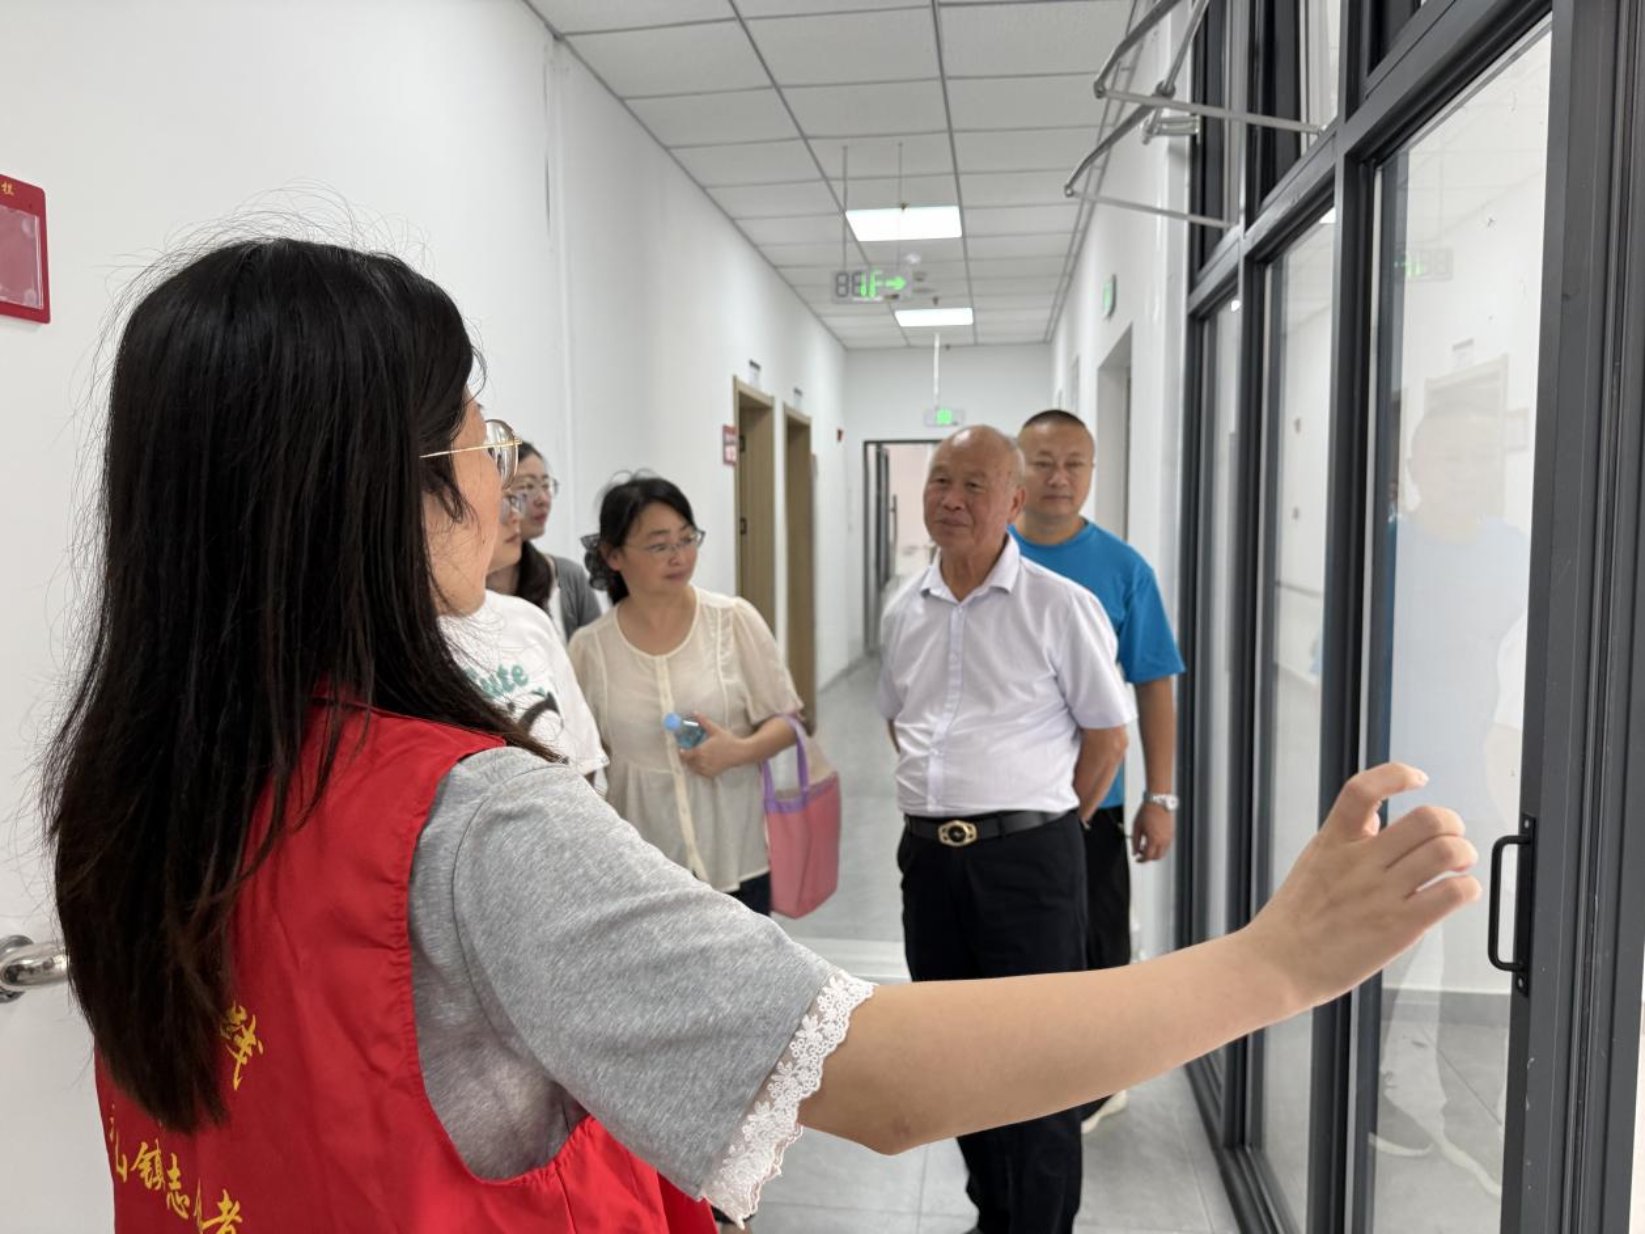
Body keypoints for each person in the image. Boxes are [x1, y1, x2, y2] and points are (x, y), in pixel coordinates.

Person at [48, 237, 1482, 1233]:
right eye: (483, 445)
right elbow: (879, 1075)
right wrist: (1271, 962)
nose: (503, 484)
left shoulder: (141, 783)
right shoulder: (464, 818)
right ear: (385, 487)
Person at [879, 425, 1134, 1232]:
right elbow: (900, 722)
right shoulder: (904, 608)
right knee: (957, 1060)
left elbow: (1107, 737)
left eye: (974, 485)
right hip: (929, 862)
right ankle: (993, 1215)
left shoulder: (1060, 606)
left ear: (1014, 501)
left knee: (1038, 1067)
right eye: (939, 480)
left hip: (1030, 862)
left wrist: (1048, 826)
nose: (951, 500)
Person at [1012, 408, 1187, 1136]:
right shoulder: (988, 553)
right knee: (1022, 945)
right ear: (1018, 469)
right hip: (1003, 801)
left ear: (1090, 471)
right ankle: (1030, 1067)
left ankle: (1099, 1081)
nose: (1059, 478)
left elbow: (1153, 682)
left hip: (1091, 798)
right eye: (1043, 462)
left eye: (1074, 464)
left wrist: (1160, 796)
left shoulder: (1122, 569)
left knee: (1095, 938)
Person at [568, 476, 798, 917]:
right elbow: (583, 764)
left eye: (687, 539)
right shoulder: (589, 649)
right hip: (642, 878)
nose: (679, 556)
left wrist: (739, 750)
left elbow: (789, 722)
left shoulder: (732, 620)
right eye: (659, 545)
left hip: (736, 862)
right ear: (613, 555)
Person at [443, 488, 607, 786]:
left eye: (512, 501)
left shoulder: (528, 618)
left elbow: (583, 757)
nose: (515, 516)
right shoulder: (414, 639)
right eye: (500, 504)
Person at [487, 441, 602, 643]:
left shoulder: (565, 577)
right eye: (527, 486)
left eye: (546, 485)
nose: (543, 500)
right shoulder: (461, 590)